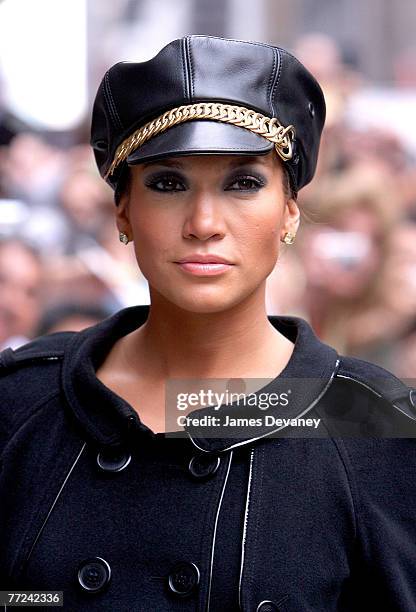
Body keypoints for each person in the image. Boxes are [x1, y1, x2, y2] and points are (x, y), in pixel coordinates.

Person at [1, 35, 416, 612]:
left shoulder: (375, 427)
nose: (203, 223)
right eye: (168, 183)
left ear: (289, 212)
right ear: (123, 210)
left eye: (242, 182)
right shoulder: (21, 404)